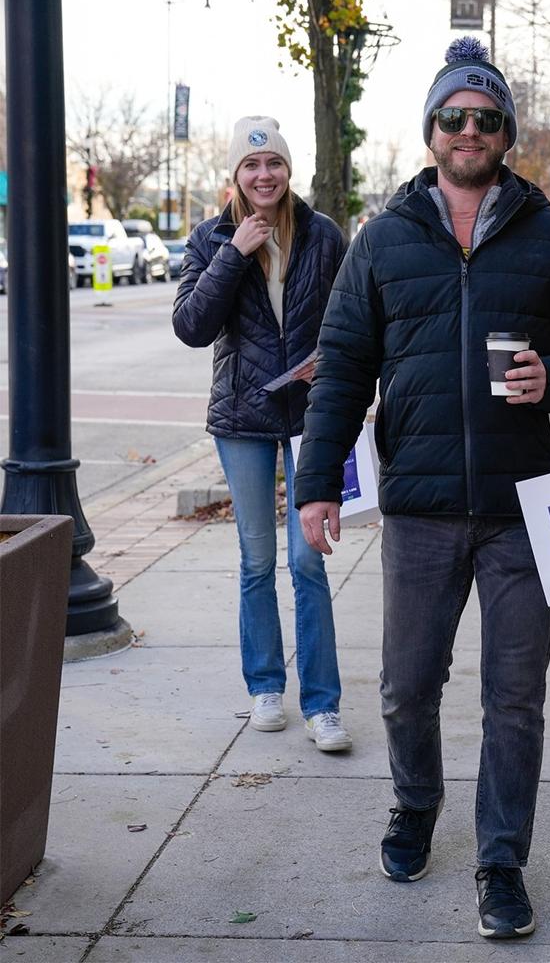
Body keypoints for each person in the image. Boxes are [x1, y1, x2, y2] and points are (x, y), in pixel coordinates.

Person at [295, 38, 550, 940]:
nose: (469, 130)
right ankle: (416, 804)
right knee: (406, 686)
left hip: (523, 509)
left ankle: (501, 860)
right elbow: (342, 368)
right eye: (454, 117)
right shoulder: (383, 240)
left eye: (485, 118)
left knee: (515, 696)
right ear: (432, 130)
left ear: (506, 133)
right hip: (420, 507)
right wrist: (317, 484)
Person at [173, 116, 352, 754]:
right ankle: (266, 687)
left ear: (288, 169)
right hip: (242, 417)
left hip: (310, 416)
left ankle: (323, 704)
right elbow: (192, 327)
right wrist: (234, 253)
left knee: (307, 560)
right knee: (256, 559)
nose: (264, 174)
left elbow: (353, 318)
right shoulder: (210, 238)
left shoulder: (323, 235)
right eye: (251, 165)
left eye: (273, 162)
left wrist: (334, 361)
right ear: (235, 175)